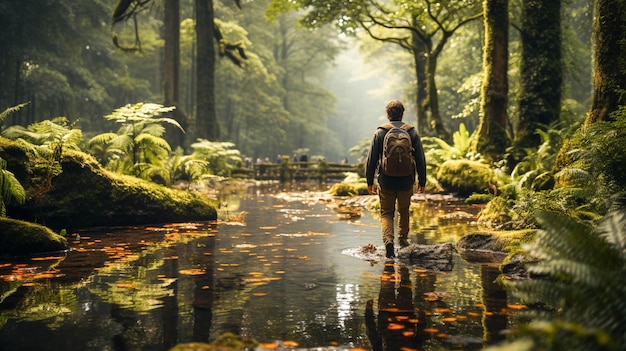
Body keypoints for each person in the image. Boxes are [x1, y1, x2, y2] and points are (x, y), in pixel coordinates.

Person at [366, 100, 426, 258]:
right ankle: (403, 240)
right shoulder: (411, 132)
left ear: (388, 115)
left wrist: (369, 181)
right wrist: (422, 182)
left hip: (386, 180)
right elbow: (420, 158)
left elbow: (371, 159)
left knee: (386, 213)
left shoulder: (380, 132)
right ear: (402, 113)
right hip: (406, 180)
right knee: (404, 210)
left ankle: (388, 242)